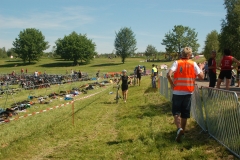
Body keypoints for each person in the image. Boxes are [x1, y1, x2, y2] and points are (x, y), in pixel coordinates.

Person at [167, 47, 204, 142]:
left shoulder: (177, 62)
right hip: (188, 92)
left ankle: (179, 128)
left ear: (182, 54)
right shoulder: (193, 63)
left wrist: (171, 83)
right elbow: (201, 77)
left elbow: (168, 74)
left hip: (177, 92)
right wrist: (201, 68)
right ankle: (182, 132)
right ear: (189, 55)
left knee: (176, 113)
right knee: (185, 114)